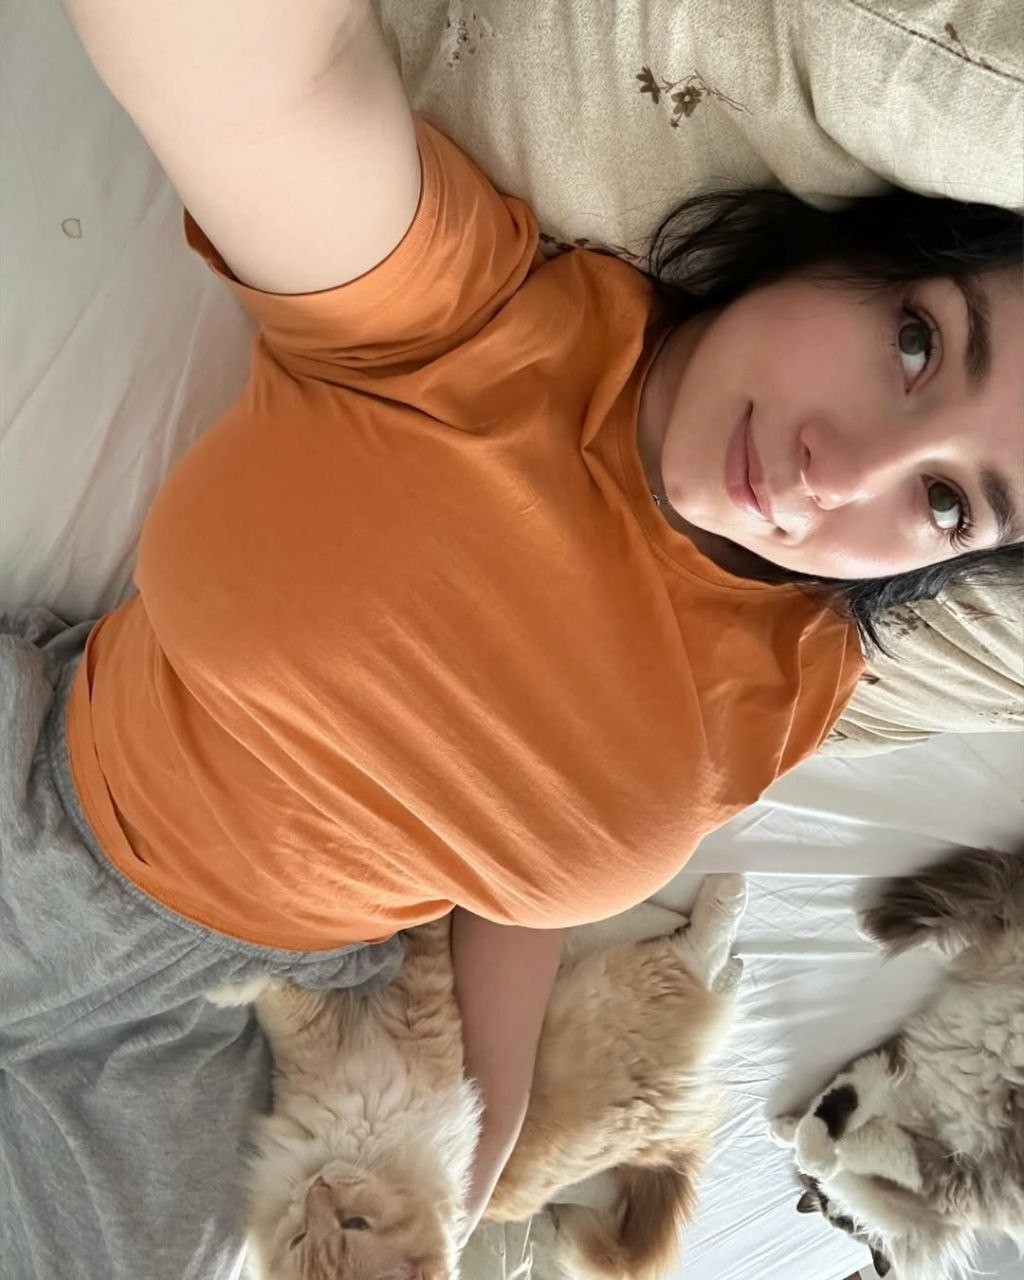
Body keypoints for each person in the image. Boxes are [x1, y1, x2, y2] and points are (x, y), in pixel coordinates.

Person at [1, 2, 1020, 1278]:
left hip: (223, 1022)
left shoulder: (801, 677)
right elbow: (264, 86)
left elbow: (506, 855)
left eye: (948, 501)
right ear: (846, 255)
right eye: (916, 343)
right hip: (45, 810)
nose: (843, 468)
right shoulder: (473, 325)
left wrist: (478, 1136)